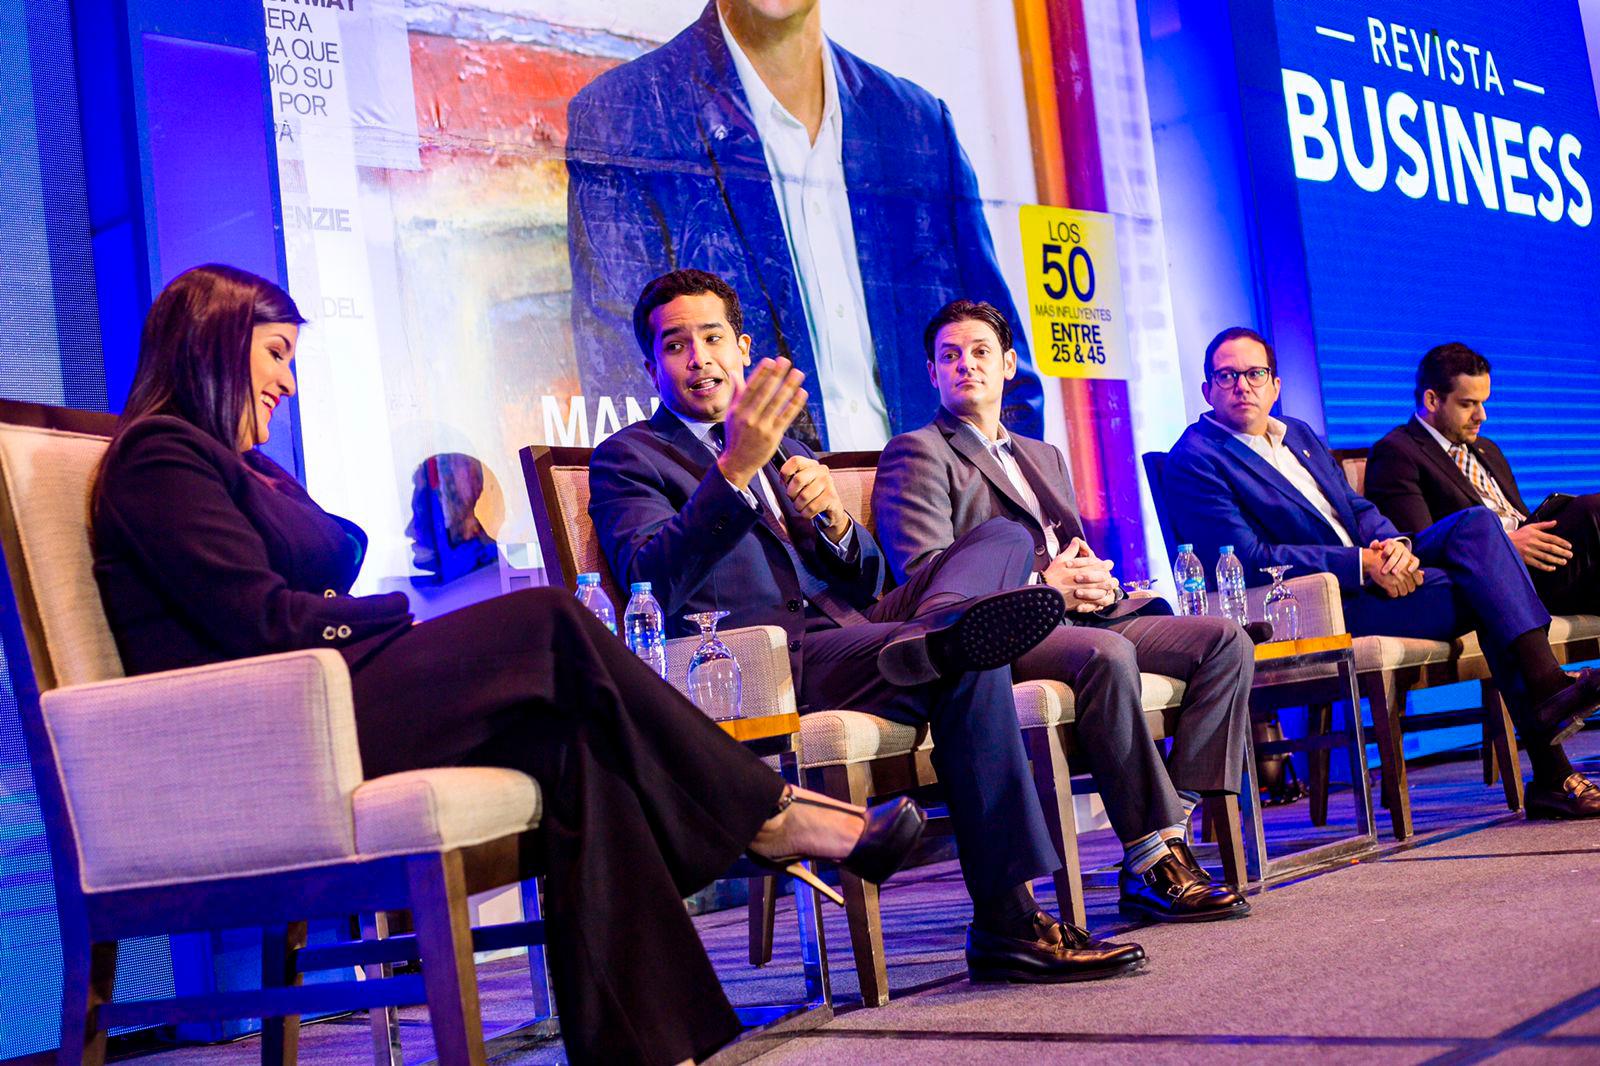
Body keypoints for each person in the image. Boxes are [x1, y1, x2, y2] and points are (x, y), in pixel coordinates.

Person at [90, 264, 927, 1066]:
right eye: (277, 354)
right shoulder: (158, 456)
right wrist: (391, 615)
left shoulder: (244, 466)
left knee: (577, 750)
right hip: (270, 737)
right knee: (552, 617)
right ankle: (770, 815)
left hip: (324, 700)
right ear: (210, 340)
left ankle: (652, 1049)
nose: (290, 384)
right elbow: (262, 624)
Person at [589, 269, 1147, 985]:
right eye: (675, 345)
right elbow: (649, 580)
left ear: (743, 347)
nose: (698, 358)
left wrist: (836, 525)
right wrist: (732, 471)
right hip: (766, 659)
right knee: (969, 659)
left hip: (854, 631)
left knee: (1002, 538)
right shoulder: (630, 457)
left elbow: (872, 582)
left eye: (712, 338)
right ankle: (1009, 920)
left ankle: (945, 627)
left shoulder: (787, 448)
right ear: (649, 366)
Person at [873, 300, 1251, 923]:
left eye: (980, 352)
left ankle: (1170, 822)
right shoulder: (916, 452)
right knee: (1109, 654)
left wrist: (1094, 580)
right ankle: (1152, 857)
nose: (965, 364)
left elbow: (1068, 547)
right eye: (949, 356)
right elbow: (927, 578)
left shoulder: (1040, 453)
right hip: (999, 630)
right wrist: (1042, 585)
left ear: (1008, 365)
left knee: (1224, 640)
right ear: (932, 373)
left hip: (1084, 614)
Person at [1164, 326, 1600, 821]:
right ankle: (1551, 751)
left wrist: (1395, 546)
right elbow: (1243, 556)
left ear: (1275, 384)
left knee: (1478, 526)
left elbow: (1357, 506)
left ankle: (1548, 709)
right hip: (1320, 599)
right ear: (1206, 389)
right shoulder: (1196, 459)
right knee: (1488, 586)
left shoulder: (1298, 435)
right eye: (1227, 375)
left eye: (1255, 373)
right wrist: (1359, 565)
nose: (1243, 385)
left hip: (1376, 568)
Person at [566, 0, 1043, 450]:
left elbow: (1002, 363)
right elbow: (625, 381)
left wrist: (1020, 520)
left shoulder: (915, 124)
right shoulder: (627, 117)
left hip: (940, 521)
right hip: (762, 525)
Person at [1366, 342, 1600, 617]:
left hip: (1540, 565)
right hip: (1493, 575)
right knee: (1591, 510)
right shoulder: (1397, 453)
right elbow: (1418, 545)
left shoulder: (1488, 448)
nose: (1482, 416)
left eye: (1483, 403)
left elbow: (1517, 515)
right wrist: (1502, 543)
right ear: (1432, 400)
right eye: (1468, 404)